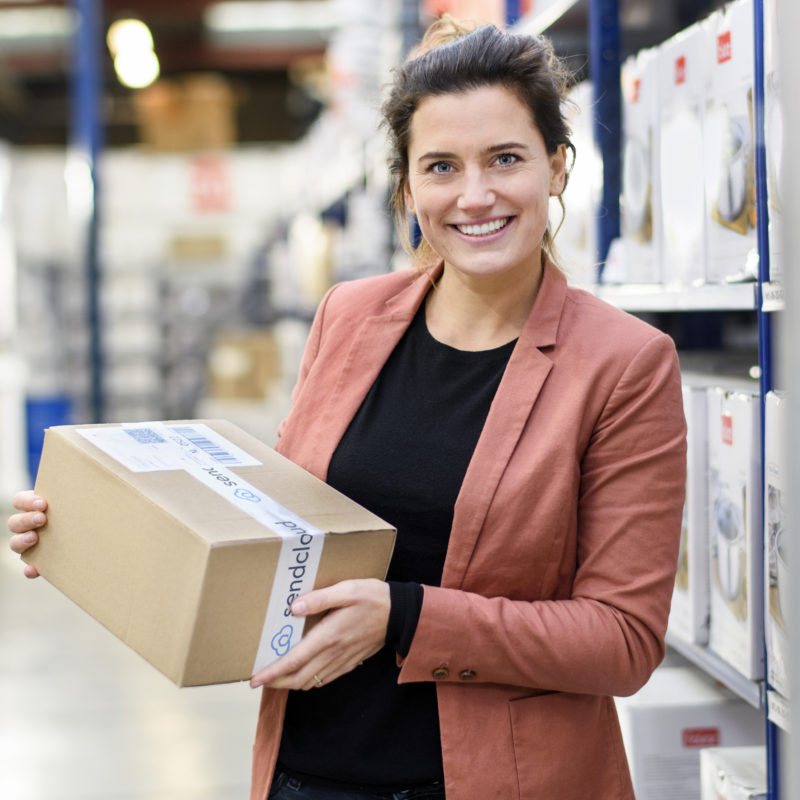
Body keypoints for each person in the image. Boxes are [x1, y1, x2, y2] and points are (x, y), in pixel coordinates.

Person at [8, 16, 687, 800]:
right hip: (307, 771)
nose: (475, 195)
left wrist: (404, 617)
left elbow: (622, 641)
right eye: (441, 166)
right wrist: (97, 536)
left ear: (557, 167)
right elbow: (276, 531)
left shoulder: (624, 364)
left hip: (488, 781)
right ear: (406, 189)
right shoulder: (350, 316)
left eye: (506, 158)